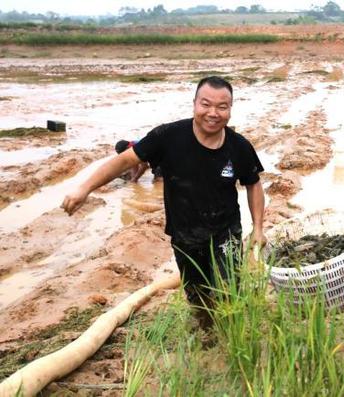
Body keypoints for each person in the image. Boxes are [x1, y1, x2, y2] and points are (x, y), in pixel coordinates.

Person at [62, 76, 266, 327]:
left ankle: (235, 337)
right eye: (206, 104)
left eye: (222, 107)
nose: (213, 113)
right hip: (185, 235)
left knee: (229, 290)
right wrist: (84, 188)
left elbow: (253, 184)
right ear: (194, 104)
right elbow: (125, 161)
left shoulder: (239, 147)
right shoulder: (167, 136)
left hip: (225, 232)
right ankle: (208, 331)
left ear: (230, 109)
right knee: (197, 295)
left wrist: (258, 228)